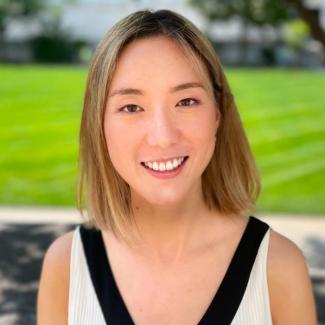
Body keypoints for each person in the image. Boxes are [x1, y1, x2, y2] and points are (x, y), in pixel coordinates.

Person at [37, 9, 317, 325]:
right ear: (98, 125)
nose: (163, 137)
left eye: (186, 102)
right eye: (131, 107)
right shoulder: (67, 266)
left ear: (217, 114)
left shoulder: (277, 268)